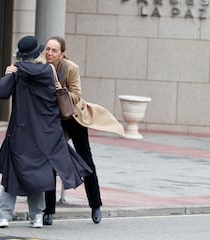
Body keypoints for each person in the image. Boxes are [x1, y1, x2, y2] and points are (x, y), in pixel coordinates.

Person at [0, 36, 92, 228]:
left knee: (13, 173)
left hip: (21, 132)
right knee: (38, 175)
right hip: (45, 133)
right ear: (39, 53)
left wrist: (1, 75)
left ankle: (4, 216)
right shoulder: (49, 71)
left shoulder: (17, 71)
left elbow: (0, 92)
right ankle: (37, 217)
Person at [42, 36, 124, 225]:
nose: (49, 53)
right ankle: (48, 210)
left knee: (86, 160)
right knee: (50, 161)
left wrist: (60, 89)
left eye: (54, 50)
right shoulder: (40, 65)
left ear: (61, 53)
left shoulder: (70, 68)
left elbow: (77, 96)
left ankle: (95, 204)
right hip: (53, 120)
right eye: (47, 49)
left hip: (73, 117)